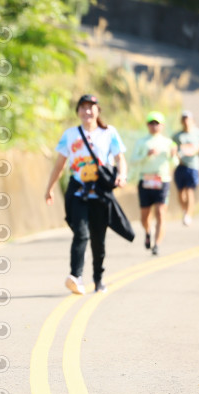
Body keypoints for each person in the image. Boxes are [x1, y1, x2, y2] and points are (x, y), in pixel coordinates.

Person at [45, 94, 128, 294]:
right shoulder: (70, 134)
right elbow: (60, 164)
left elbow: (120, 158)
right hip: (78, 191)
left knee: (98, 239)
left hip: (100, 192)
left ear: (98, 111)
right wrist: (49, 188)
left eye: (91, 107)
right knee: (80, 234)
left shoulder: (109, 133)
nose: (87, 111)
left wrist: (122, 175)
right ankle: (76, 277)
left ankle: (98, 278)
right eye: (83, 107)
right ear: (78, 111)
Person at [130, 111, 178, 255]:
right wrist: (146, 155)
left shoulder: (168, 143)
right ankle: (148, 231)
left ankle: (157, 244)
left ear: (162, 126)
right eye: (151, 123)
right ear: (147, 125)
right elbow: (133, 160)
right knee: (144, 216)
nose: (154, 126)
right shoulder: (142, 142)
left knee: (160, 213)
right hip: (145, 180)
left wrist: (173, 155)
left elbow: (175, 162)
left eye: (157, 123)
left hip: (162, 180)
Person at [172, 110, 199, 226]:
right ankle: (184, 210)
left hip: (193, 166)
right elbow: (172, 147)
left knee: (190, 190)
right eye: (184, 119)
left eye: (188, 119)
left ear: (192, 120)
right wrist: (176, 153)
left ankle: (188, 215)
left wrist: (193, 150)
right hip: (180, 166)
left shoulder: (197, 134)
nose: (186, 121)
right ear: (182, 121)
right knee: (181, 192)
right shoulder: (177, 136)